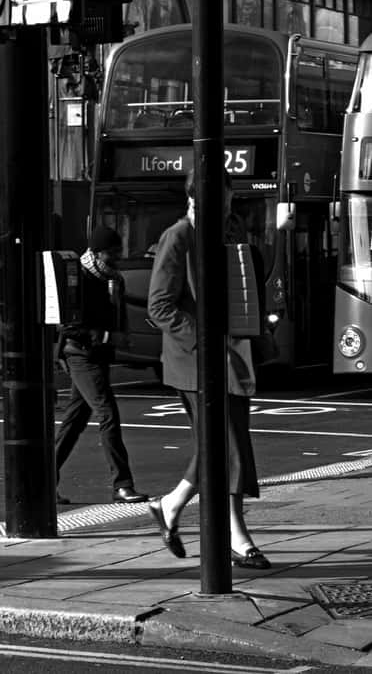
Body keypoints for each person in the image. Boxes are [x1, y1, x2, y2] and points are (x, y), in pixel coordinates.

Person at [146, 169, 269, 570]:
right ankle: (236, 536)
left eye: (229, 201)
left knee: (218, 443)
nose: (226, 210)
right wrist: (204, 341)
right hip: (196, 361)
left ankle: (170, 504)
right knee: (226, 442)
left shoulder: (228, 233)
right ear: (196, 199)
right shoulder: (179, 236)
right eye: (218, 201)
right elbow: (160, 305)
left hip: (231, 356)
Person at [54, 226, 148, 506]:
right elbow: (70, 326)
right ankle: (122, 484)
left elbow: (115, 314)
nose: (116, 258)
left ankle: (44, 478)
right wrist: (107, 335)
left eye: (118, 251)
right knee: (108, 414)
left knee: (75, 420)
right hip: (80, 353)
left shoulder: (112, 278)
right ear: (95, 253)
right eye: (111, 253)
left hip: (98, 354)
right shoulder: (79, 277)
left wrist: (120, 335)